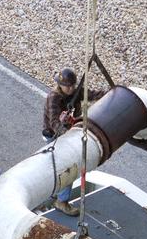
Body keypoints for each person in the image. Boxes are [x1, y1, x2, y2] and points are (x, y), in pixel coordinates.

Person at [42, 67, 106, 215]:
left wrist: (111, 93)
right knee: (68, 167)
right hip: (54, 135)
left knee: (59, 166)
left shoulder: (76, 92)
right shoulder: (54, 98)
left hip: (69, 132)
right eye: (67, 86)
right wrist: (67, 135)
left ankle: (55, 193)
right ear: (60, 85)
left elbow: (92, 94)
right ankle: (61, 201)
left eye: (72, 85)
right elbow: (53, 122)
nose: (70, 89)